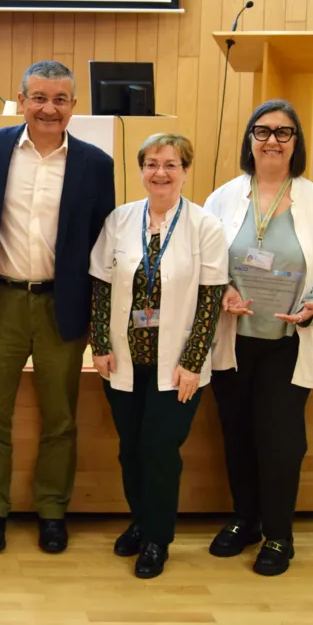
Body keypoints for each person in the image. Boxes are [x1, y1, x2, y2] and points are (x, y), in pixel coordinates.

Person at [0, 60, 115, 554]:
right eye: (38, 97)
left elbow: (102, 244)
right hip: (0, 299)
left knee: (60, 417)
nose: (48, 108)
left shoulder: (96, 164)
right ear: (21, 99)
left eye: (59, 99)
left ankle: (53, 510)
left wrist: (98, 319)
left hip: (62, 304)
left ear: (74, 105)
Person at [203, 100, 313, 575]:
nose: (272, 140)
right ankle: (245, 518)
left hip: (290, 342)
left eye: (284, 133)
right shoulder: (223, 198)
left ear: (296, 142)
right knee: (238, 435)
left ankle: (280, 535)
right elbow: (204, 265)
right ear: (249, 139)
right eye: (262, 131)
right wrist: (222, 290)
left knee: (281, 441)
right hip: (235, 341)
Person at [89, 133, 226, 579]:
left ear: (186, 170)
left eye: (170, 164)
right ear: (141, 169)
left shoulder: (205, 226)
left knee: (160, 450)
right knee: (131, 450)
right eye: (151, 164)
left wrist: (192, 361)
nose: (160, 173)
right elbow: (101, 286)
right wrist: (102, 345)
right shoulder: (121, 219)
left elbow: (210, 299)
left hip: (177, 366)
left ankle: (157, 539)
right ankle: (140, 520)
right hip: (125, 360)